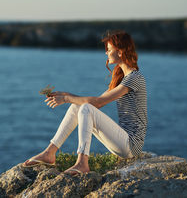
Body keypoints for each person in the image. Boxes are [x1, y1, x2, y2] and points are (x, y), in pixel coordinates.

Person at [23, 30, 147, 176]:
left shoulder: (134, 78)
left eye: (109, 50)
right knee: (78, 106)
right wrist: (67, 95)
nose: (106, 53)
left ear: (120, 52)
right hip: (122, 143)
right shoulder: (123, 78)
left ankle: (82, 162)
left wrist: (66, 99)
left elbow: (98, 103)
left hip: (131, 145)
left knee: (85, 108)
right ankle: (49, 153)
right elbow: (94, 102)